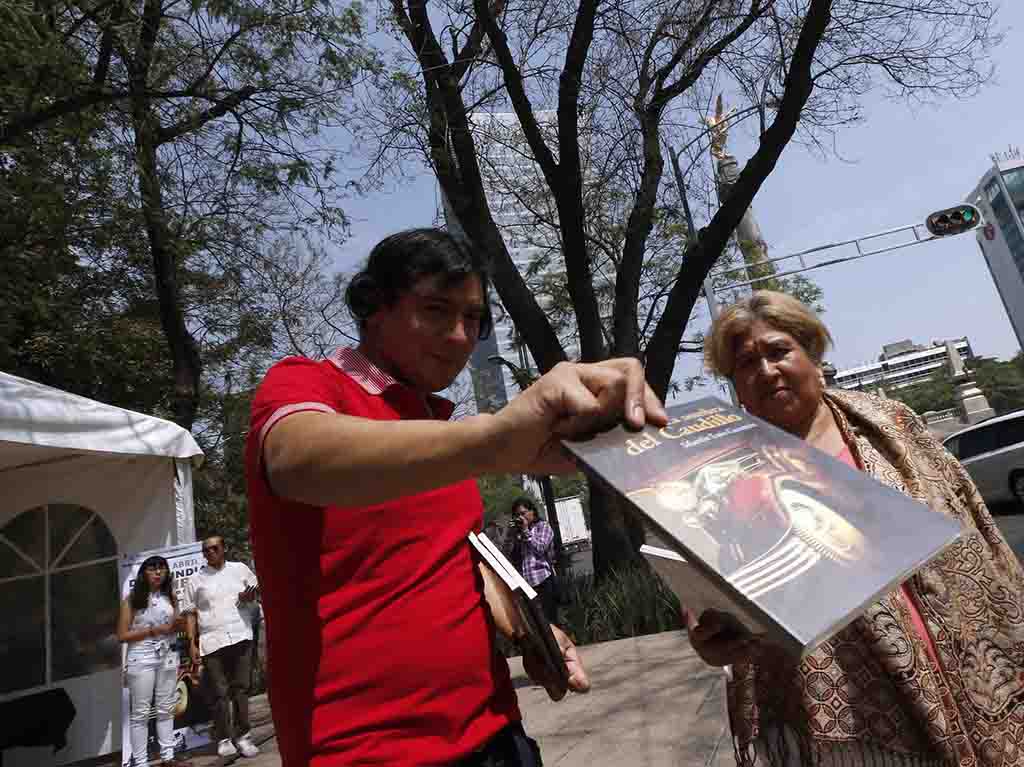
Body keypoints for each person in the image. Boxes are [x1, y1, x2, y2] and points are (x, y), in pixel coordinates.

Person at [246, 228, 668, 767]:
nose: (459, 336)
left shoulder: (439, 430)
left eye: (473, 318)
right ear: (375, 305)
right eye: (436, 310)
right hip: (362, 749)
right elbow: (294, 461)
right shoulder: (308, 384)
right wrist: (494, 440)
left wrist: (528, 628)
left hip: (496, 732)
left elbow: (454, 557)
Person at [692, 290, 1024, 767]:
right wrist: (710, 639)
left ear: (811, 352)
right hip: (849, 713)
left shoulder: (890, 422)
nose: (766, 371)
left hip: (973, 666)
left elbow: (973, 521)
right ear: (735, 385)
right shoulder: (723, 479)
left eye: (779, 351)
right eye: (746, 363)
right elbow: (713, 587)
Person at [183, 536, 260, 760]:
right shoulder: (195, 580)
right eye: (206, 550)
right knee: (219, 691)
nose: (210, 553)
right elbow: (189, 613)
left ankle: (244, 736)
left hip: (240, 634)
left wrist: (248, 597)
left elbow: (254, 594)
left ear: (224, 549)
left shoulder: (240, 569)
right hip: (211, 640)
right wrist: (191, 643)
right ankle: (225, 738)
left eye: (215, 548)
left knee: (242, 687)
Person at [117, 556, 191, 767]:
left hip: (167, 655)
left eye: (162, 569)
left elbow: (180, 625)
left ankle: (168, 757)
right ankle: (140, 763)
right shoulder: (132, 599)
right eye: (153, 569)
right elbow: (121, 635)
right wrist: (153, 631)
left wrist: (180, 623)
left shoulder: (171, 597)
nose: (158, 572)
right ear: (143, 574)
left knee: (166, 707)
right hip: (142, 657)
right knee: (140, 712)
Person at [509, 497, 559, 624]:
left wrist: (526, 531)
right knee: (536, 624)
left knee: (550, 622)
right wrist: (512, 535)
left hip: (543, 581)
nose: (521, 518)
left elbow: (540, 548)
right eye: (517, 515)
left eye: (523, 513)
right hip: (527, 585)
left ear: (532, 512)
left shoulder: (543, 527)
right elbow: (513, 557)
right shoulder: (518, 533)